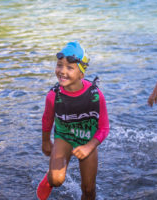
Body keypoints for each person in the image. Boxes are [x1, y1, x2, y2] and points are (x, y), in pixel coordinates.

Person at [37, 41, 109, 200]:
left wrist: (89, 146)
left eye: (70, 67)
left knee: (89, 190)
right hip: (64, 137)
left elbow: (104, 128)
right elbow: (47, 118)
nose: (62, 71)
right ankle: (50, 176)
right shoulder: (53, 95)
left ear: (81, 74)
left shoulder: (95, 96)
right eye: (59, 65)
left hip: (86, 140)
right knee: (56, 180)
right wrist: (46, 141)